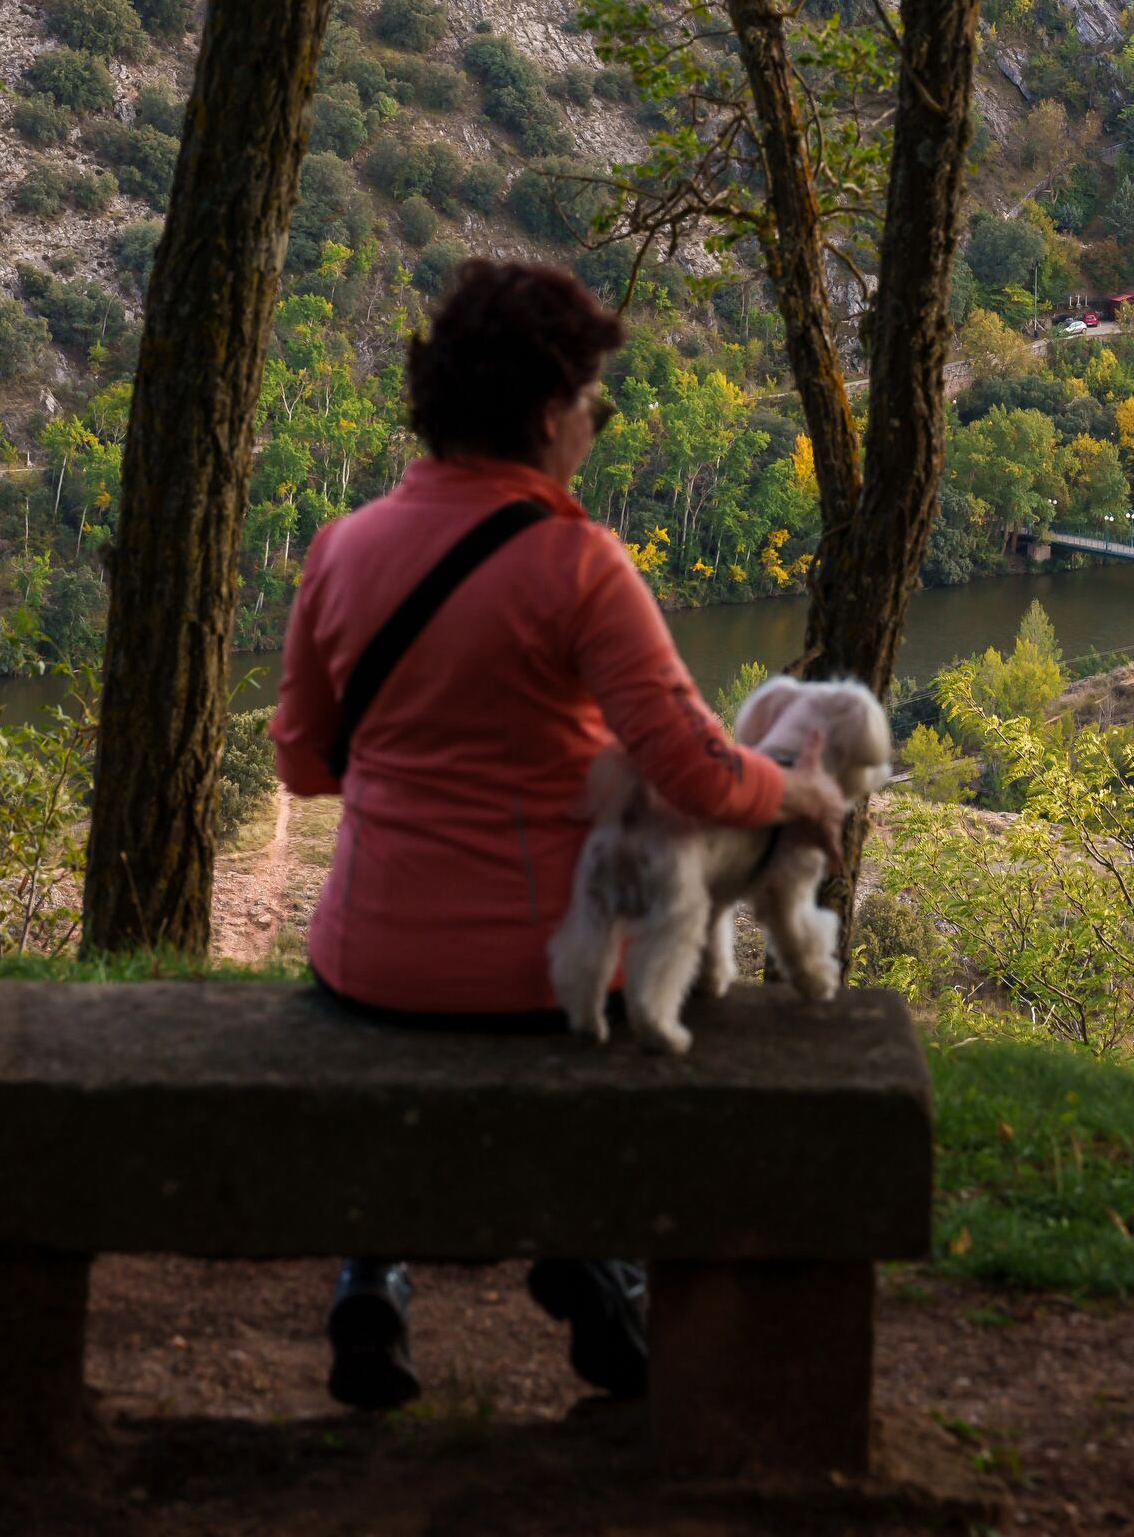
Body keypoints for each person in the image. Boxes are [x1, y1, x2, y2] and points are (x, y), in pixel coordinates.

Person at [269, 259, 850, 1412]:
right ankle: (605, 1263)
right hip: (551, 978)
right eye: (595, 400)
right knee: (672, 1001)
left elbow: (299, 760)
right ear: (548, 414)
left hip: (369, 964)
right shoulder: (582, 566)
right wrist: (794, 792)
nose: (596, 421)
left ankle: (373, 1269)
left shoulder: (339, 549)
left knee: (414, 1028)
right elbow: (690, 768)